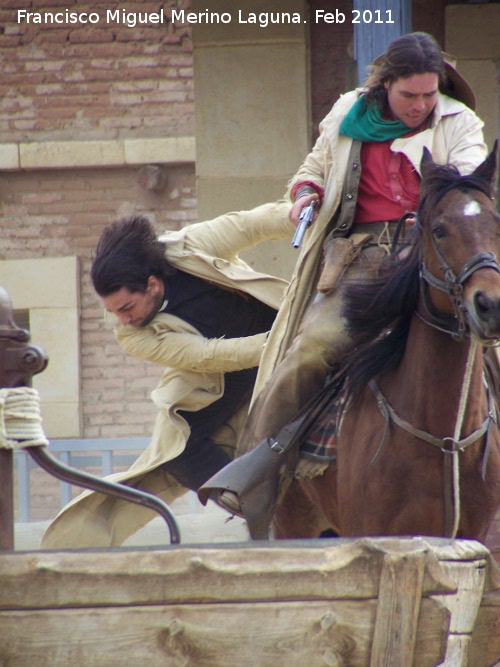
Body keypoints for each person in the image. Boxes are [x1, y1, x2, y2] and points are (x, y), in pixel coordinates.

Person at [199, 32, 489, 536]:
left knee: (490, 350)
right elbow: (314, 168)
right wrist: (305, 193)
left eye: (428, 94)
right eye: (409, 95)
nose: (421, 105)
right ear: (385, 85)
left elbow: (465, 184)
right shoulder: (347, 114)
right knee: (311, 350)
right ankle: (254, 472)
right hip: (357, 261)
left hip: (432, 255)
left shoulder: (459, 122)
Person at [41, 201, 294, 548]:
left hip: (275, 323)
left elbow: (248, 225)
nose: (123, 320)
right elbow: (207, 357)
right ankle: (253, 501)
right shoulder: (128, 332)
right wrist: (277, 344)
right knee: (180, 451)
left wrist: (294, 214)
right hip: (216, 375)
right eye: (113, 312)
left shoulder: (187, 247)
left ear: (153, 284)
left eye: (127, 308)